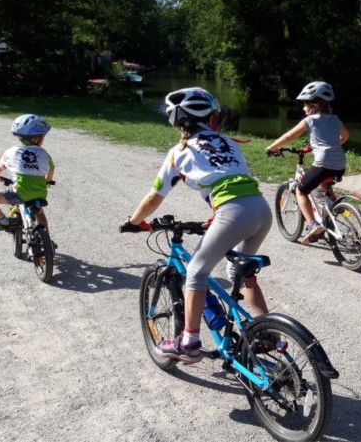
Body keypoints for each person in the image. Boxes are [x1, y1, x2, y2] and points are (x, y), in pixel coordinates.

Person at [121, 87, 273, 364]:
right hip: (260, 208)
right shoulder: (229, 143)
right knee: (240, 269)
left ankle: (188, 342)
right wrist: (220, 215)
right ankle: (267, 331)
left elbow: (155, 197)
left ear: (178, 122)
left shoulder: (179, 152)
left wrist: (134, 222)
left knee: (195, 272)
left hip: (232, 212)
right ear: (210, 120)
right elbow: (235, 180)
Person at [266, 81, 349, 245]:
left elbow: (289, 136)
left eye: (305, 104)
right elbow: (345, 136)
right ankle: (331, 208)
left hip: (323, 163)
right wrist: (330, 146)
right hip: (340, 163)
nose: (303, 108)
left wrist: (272, 147)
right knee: (325, 183)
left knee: (301, 190)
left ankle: (312, 225)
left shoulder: (310, 120)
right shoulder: (335, 119)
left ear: (314, 104)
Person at [0, 114, 55, 233]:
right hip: (40, 193)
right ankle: (47, 241)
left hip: (19, 193)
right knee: (39, 213)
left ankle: (4, 221)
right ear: (37, 139)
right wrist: (47, 181)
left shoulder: (11, 152)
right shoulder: (44, 154)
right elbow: (50, 171)